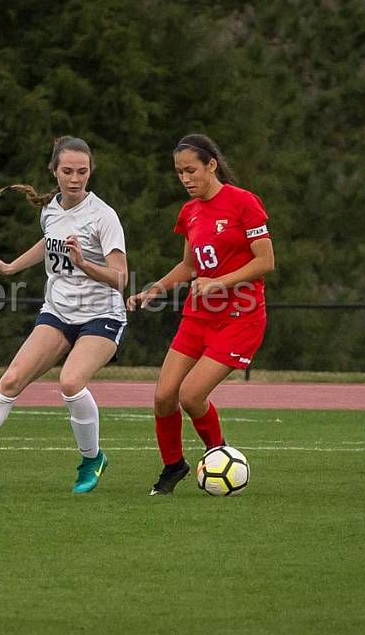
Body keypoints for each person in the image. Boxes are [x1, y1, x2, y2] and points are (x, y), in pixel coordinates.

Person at [0, 136, 128, 493]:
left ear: (90, 172)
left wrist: (84, 263)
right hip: (59, 311)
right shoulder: (50, 208)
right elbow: (47, 242)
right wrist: (10, 266)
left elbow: (119, 278)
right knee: (10, 380)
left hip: (102, 315)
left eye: (82, 172)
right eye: (67, 171)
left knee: (70, 382)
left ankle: (92, 458)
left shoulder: (104, 216)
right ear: (54, 170)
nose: (75, 178)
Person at [127, 134, 274, 495]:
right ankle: (173, 467)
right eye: (179, 172)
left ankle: (218, 454)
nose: (186, 178)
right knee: (164, 397)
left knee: (191, 395)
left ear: (212, 165)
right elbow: (190, 266)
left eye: (191, 170)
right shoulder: (189, 212)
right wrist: (155, 289)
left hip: (241, 317)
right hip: (198, 316)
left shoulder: (244, 203)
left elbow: (266, 261)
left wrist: (219, 283)